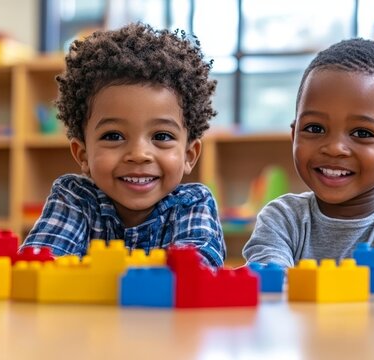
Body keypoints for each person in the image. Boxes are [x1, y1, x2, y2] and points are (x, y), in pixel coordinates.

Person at [21, 23, 225, 267]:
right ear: (83, 154)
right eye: (114, 136)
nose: (138, 155)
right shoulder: (74, 197)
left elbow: (196, 271)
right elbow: (41, 264)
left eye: (161, 136)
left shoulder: (193, 204)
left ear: (189, 155)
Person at [242, 38, 374, 267]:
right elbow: (269, 288)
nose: (335, 147)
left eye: (362, 133)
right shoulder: (282, 219)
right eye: (314, 128)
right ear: (294, 135)